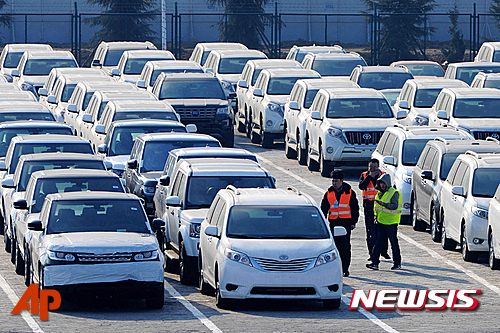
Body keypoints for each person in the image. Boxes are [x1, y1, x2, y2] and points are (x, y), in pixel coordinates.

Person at [321, 170, 359, 277]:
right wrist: (322, 223)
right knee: (334, 247)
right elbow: (324, 208)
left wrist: (353, 222)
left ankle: (345, 268)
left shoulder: (350, 192)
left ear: (342, 181)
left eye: (336, 181)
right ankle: (335, 269)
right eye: (332, 181)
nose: (334, 183)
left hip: (345, 223)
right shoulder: (329, 193)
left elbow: (355, 208)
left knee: (345, 247)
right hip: (333, 223)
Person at [366, 174, 402, 270]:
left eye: (384, 184)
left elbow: (394, 206)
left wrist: (384, 204)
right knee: (378, 243)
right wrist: (376, 218)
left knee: (393, 243)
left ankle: (397, 263)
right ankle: (375, 263)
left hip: (391, 223)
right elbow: (377, 208)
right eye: (381, 183)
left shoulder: (394, 193)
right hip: (381, 222)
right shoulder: (379, 194)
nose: (382, 186)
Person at [358, 159, 390, 260]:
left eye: (375, 168)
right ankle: (371, 253)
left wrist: (377, 176)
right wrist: (370, 176)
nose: (372, 169)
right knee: (370, 230)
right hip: (368, 205)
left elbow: (384, 187)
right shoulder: (364, 175)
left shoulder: (383, 176)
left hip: (380, 205)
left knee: (383, 229)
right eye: (371, 167)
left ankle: (384, 251)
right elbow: (361, 186)